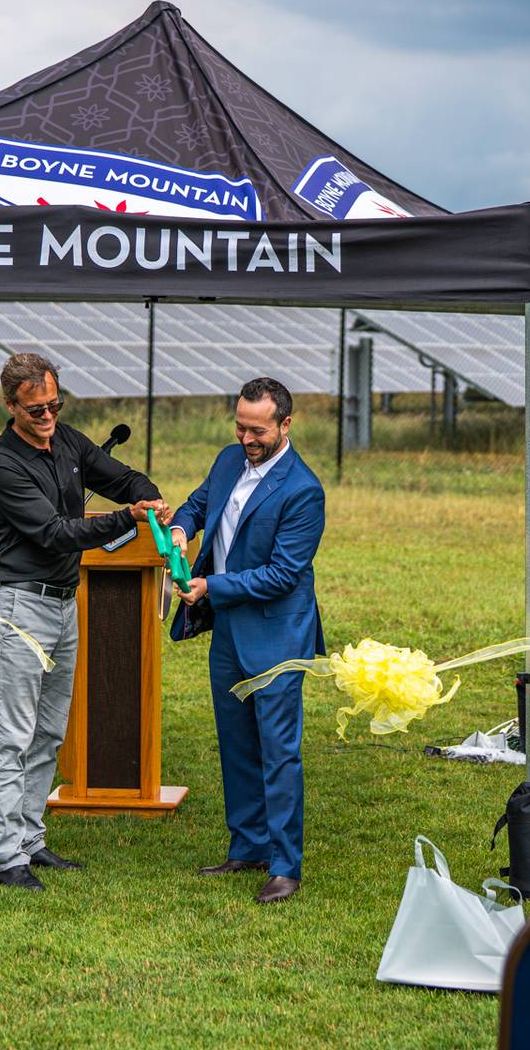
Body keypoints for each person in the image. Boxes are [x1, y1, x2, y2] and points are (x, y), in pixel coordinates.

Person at [0, 352, 168, 891]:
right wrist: (124, 519)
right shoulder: (0, 463)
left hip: (64, 602)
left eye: (54, 404)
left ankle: (32, 839)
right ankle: (6, 855)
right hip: (19, 606)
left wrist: (147, 498)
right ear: (11, 405)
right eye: (36, 409)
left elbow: (123, 477)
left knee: (50, 730)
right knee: (12, 734)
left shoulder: (69, 441)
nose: (47, 415)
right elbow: (57, 534)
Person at [168, 377, 325, 905]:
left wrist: (211, 585)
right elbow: (198, 502)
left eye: (257, 429)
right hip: (230, 631)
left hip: (278, 633)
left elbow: (282, 575)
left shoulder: (304, 490)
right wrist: (183, 530)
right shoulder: (227, 460)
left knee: (278, 752)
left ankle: (285, 865)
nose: (246, 437)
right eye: (240, 425)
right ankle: (248, 845)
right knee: (236, 743)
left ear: (285, 425)